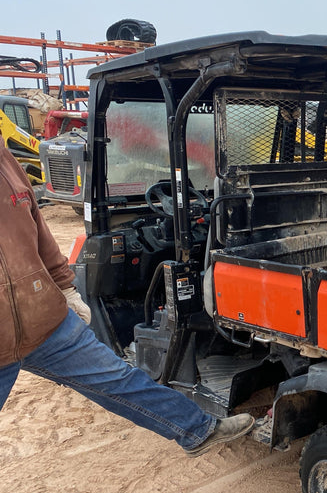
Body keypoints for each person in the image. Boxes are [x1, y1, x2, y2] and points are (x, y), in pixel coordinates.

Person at [0, 144, 253, 456]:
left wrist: (66, 287)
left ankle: (196, 430)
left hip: (43, 321)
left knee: (118, 378)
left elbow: (37, 227)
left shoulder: (4, 158)